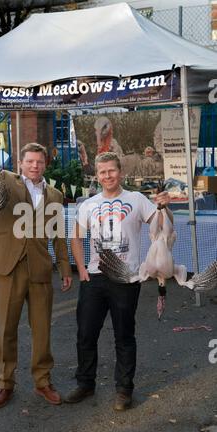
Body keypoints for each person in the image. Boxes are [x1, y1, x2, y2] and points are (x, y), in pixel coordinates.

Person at [0, 139, 72, 409]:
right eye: (30, 161)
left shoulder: (55, 195)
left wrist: (65, 268)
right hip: (8, 266)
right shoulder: (6, 181)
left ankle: (43, 381)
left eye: (39, 162)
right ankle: (4, 384)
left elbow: (58, 235)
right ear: (21, 163)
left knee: (42, 328)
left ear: (46, 164)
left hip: (40, 267)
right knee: (6, 329)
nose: (34, 166)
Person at [65, 152, 171, 411]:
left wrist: (164, 207)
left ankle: (124, 390)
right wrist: (81, 269)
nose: (107, 176)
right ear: (97, 175)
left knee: (124, 335)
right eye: (102, 172)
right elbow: (75, 238)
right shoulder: (89, 204)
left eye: (111, 170)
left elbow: (162, 228)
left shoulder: (136, 199)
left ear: (120, 171)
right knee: (86, 333)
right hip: (95, 278)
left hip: (126, 277)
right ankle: (85, 383)